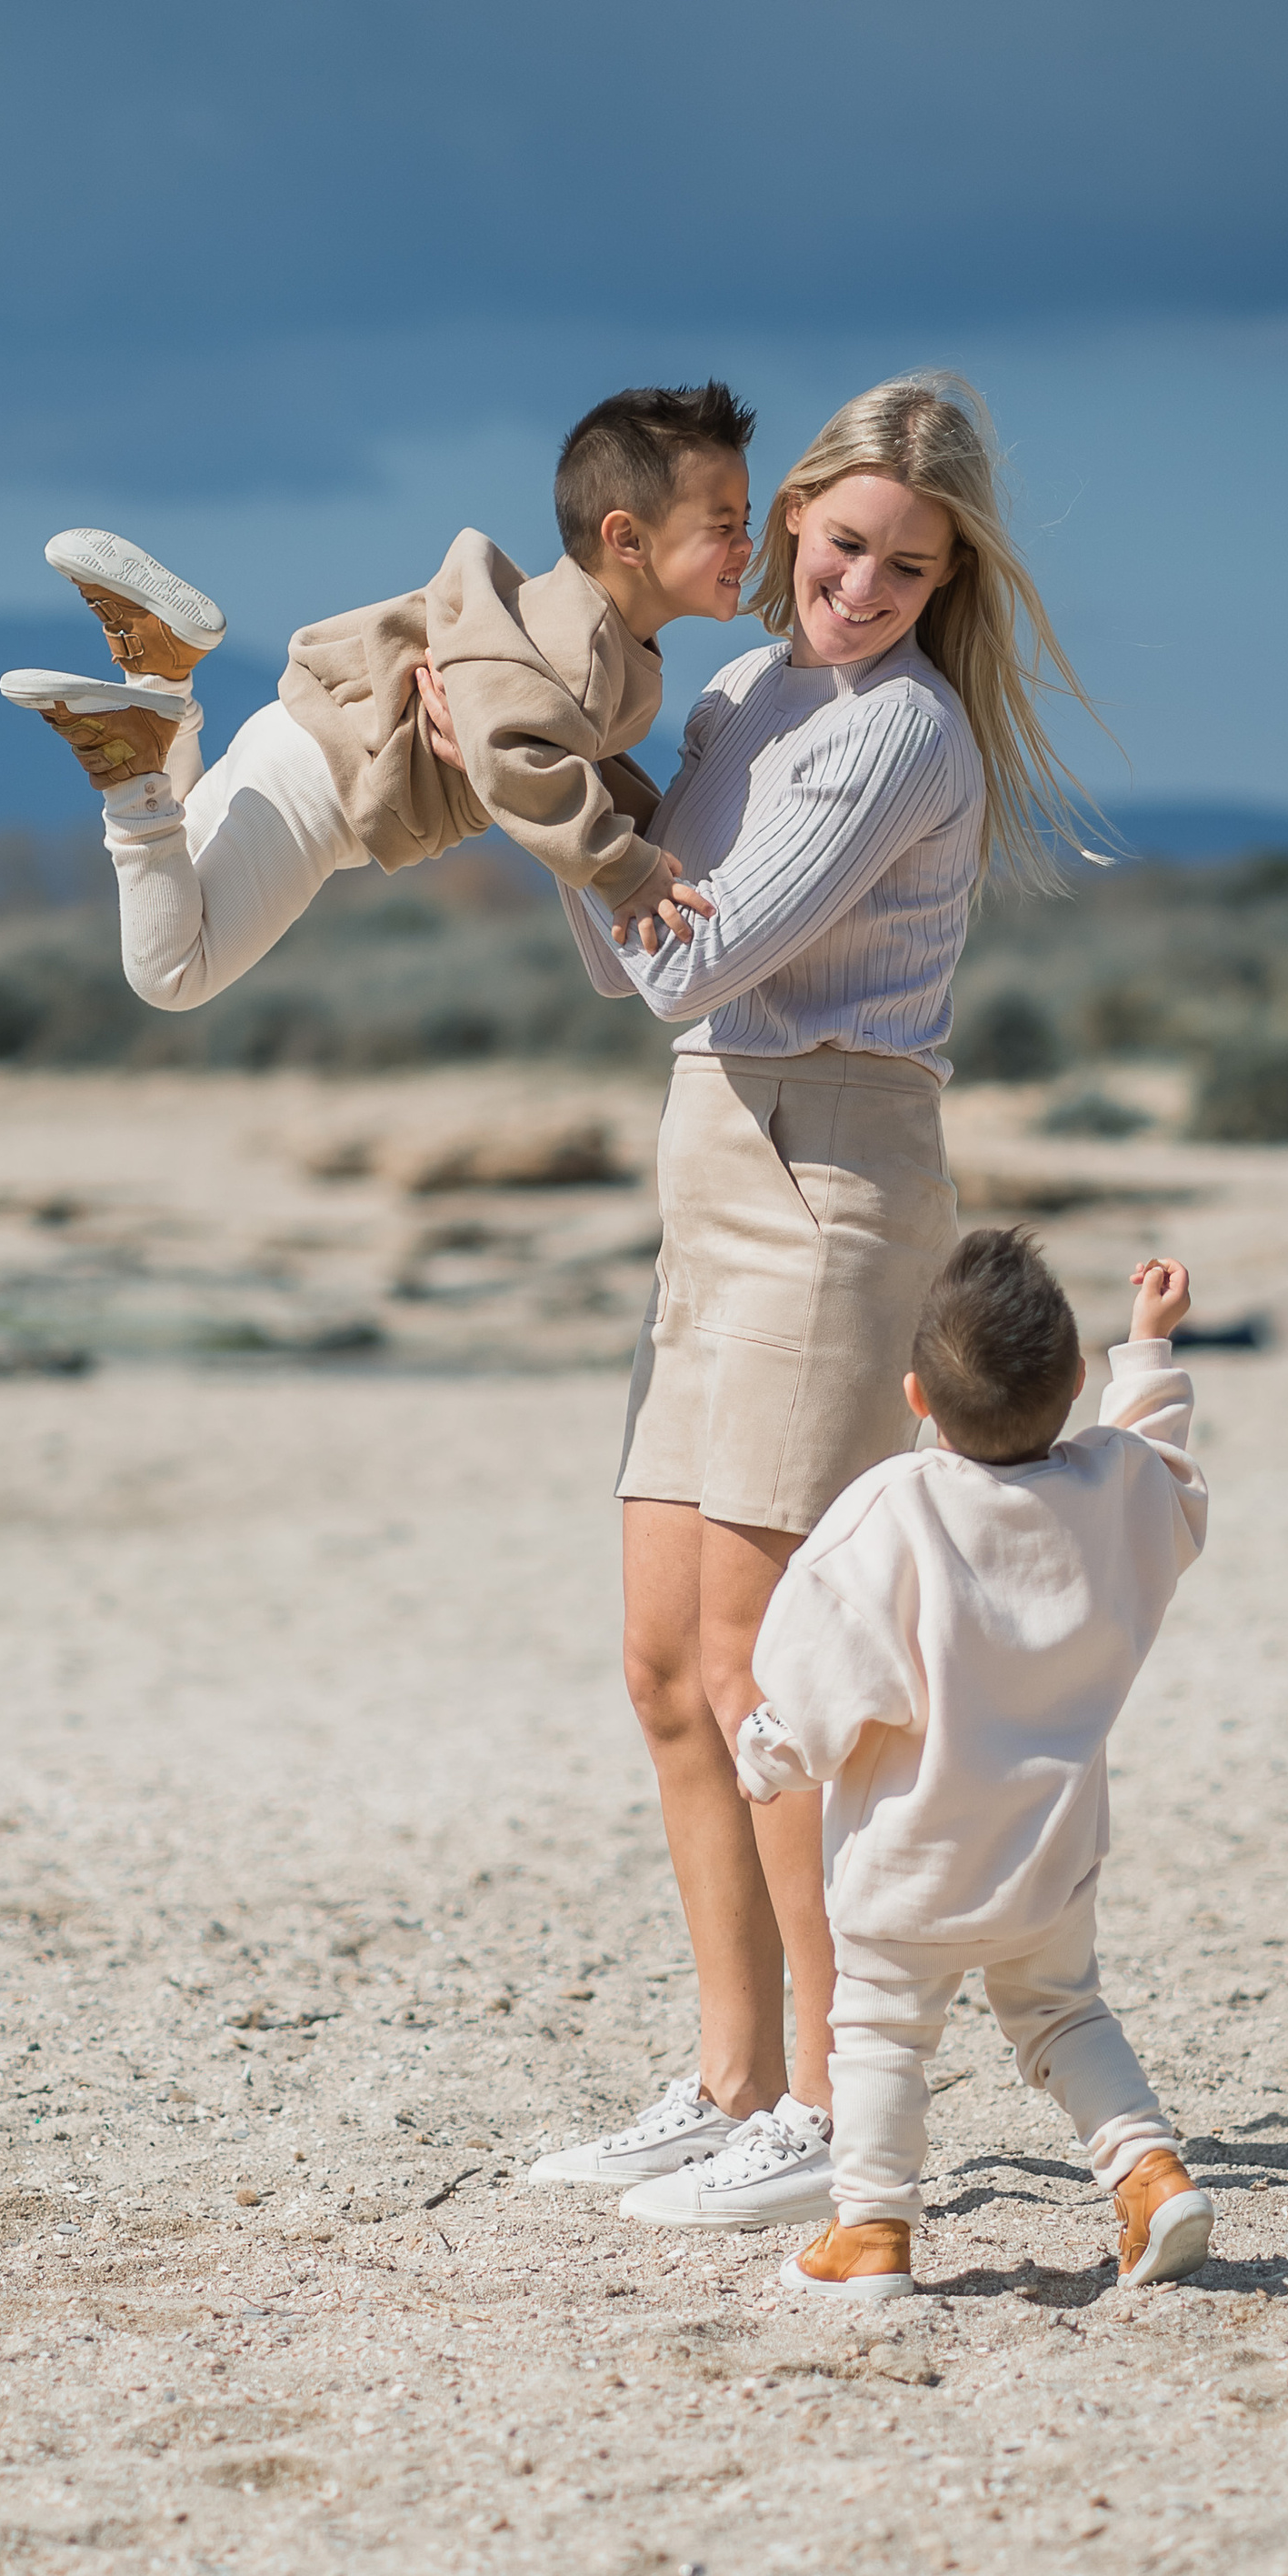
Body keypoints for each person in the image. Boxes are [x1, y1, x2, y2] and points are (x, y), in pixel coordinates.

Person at [464, 371, 1095, 2232]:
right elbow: (626, 950)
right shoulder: (740, 695)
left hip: (830, 1190)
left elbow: (693, 954)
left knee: (763, 1685)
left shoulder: (896, 738)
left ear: (945, 575)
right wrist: (564, 804)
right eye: (836, 546)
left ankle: (826, 2098)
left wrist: (546, 794)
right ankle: (730, 2080)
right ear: (789, 528)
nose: (862, 588)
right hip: (711, 1170)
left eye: (908, 566)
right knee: (665, 1674)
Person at [736, 1231, 1213, 2298]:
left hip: (910, 1866)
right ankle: (1148, 2169)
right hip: (1051, 1860)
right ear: (1074, 1379)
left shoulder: (888, 1512)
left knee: (876, 2034)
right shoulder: (1112, 1492)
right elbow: (1162, 1473)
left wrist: (764, 1755)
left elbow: (817, 1695)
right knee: (1062, 2013)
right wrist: (1152, 1350)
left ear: (915, 1393)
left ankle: (868, 2236)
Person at [0, 385, 754, 1011]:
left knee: (179, 862)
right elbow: (508, 754)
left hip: (305, 735)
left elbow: (572, 753)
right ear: (627, 539)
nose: (745, 547)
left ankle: (158, 677)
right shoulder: (585, 650)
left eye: (745, 524)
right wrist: (624, 868)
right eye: (723, 527)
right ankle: (131, 760)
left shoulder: (570, 619)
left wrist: (648, 835)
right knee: (170, 977)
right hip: (326, 793)